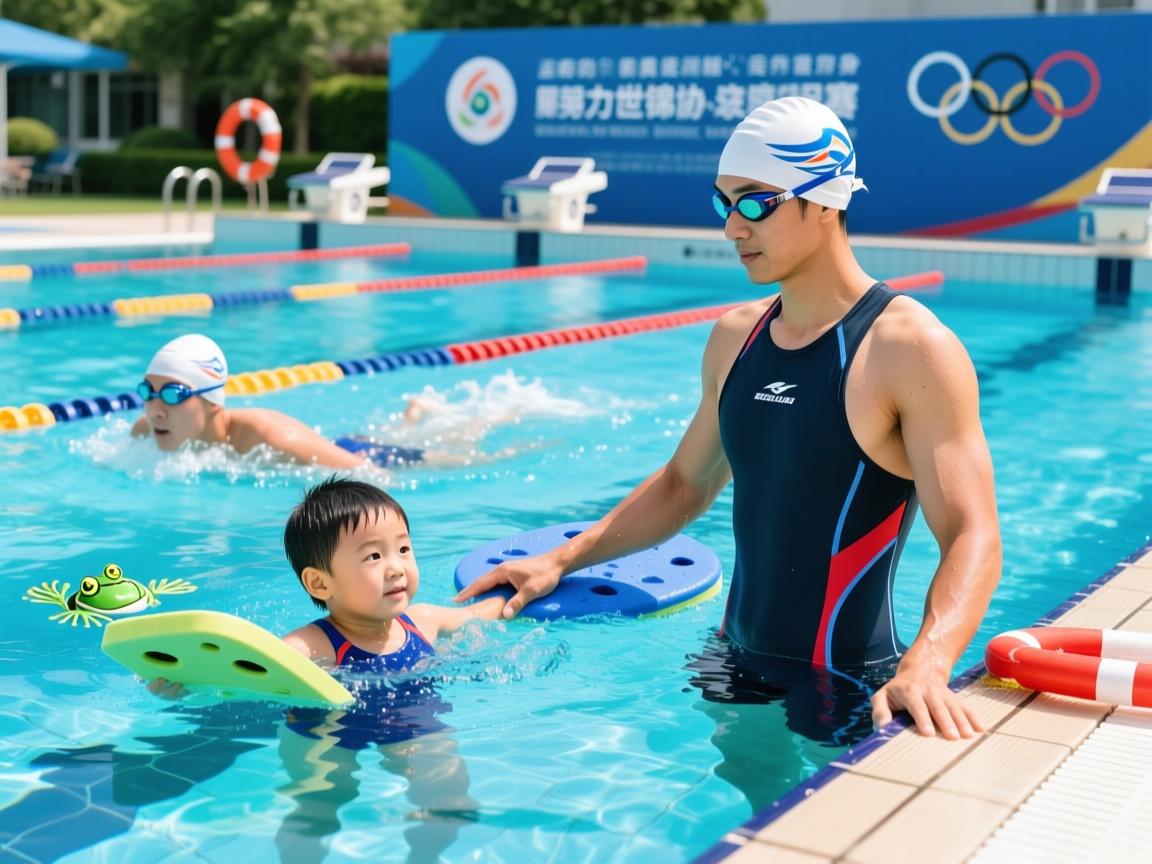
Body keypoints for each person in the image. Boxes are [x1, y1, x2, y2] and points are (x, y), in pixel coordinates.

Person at [457, 97, 1002, 741]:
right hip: (731, 659)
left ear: (824, 198)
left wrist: (929, 662)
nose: (732, 227)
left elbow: (973, 533)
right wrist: (559, 561)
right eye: (724, 203)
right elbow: (685, 485)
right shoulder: (735, 337)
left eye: (755, 203)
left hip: (845, 682)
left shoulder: (907, 347)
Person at [148, 477, 507, 861]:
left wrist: (523, 591)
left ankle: (425, 855)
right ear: (319, 583)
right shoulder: (311, 646)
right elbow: (240, 676)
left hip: (414, 720)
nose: (396, 568)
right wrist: (185, 685)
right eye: (374, 557)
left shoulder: (423, 622)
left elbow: (480, 615)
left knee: (449, 795)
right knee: (317, 805)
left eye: (403, 548)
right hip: (325, 730)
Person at [130, 334, 505, 471]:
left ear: (212, 401)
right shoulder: (144, 429)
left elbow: (367, 471)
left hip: (351, 454)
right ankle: (414, 412)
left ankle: (495, 415)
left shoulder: (272, 439)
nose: (155, 408)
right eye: (148, 391)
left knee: (460, 452)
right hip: (332, 443)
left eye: (174, 394)